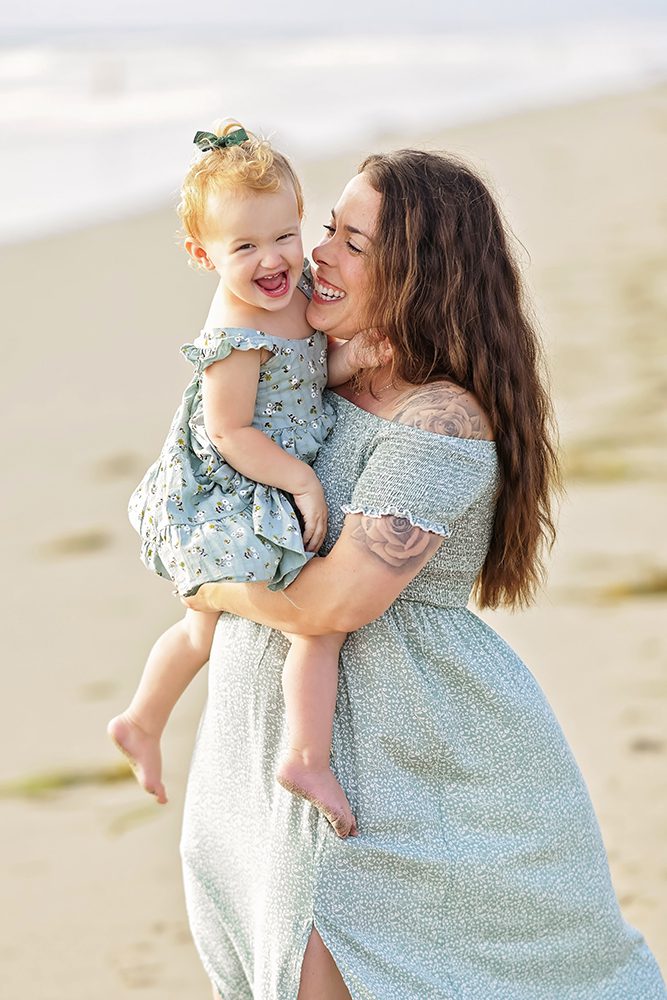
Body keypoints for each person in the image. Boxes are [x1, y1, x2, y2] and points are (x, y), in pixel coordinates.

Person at [180, 149, 667, 998]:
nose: (319, 254)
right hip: (261, 744)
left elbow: (337, 599)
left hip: (412, 755)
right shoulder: (307, 385)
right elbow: (196, 471)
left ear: (417, 272)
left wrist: (204, 582)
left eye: (353, 242)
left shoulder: (440, 420)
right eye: (327, 227)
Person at [108, 121, 367, 837]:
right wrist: (302, 485)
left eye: (284, 235)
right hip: (239, 481)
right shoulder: (233, 333)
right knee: (312, 622)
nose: (272, 260)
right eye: (243, 247)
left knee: (202, 627)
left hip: (274, 460)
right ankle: (304, 757)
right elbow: (230, 433)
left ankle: (138, 719)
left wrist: (354, 361)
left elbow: (311, 375)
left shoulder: (296, 286)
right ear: (202, 255)